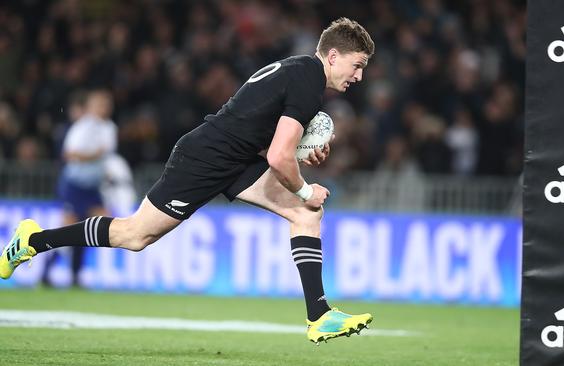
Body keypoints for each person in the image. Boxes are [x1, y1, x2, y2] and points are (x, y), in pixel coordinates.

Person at [1, 18, 375, 345]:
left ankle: (320, 315)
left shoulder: (299, 71)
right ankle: (32, 241)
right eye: (357, 65)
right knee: (135, 236)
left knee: (307, 215)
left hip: (235, 158)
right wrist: (305, 187)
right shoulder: (309, 81)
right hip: (205, 157)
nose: (358, 76)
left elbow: (263, 137)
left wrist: (296, 156)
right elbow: (278, 158)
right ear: (333, 56)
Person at [46, 90, 117, 286]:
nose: (105, 108)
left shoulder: (110, 128)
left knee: (93, 226)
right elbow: (69, 154)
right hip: (74, 185)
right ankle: (46, 271)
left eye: (107, 104)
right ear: (91, 106)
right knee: (68, 230)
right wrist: (94, 156)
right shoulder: (83, 127)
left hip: (92, 188)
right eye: (100, 104)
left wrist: (103, 170)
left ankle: (76, 275)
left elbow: (105, 156)